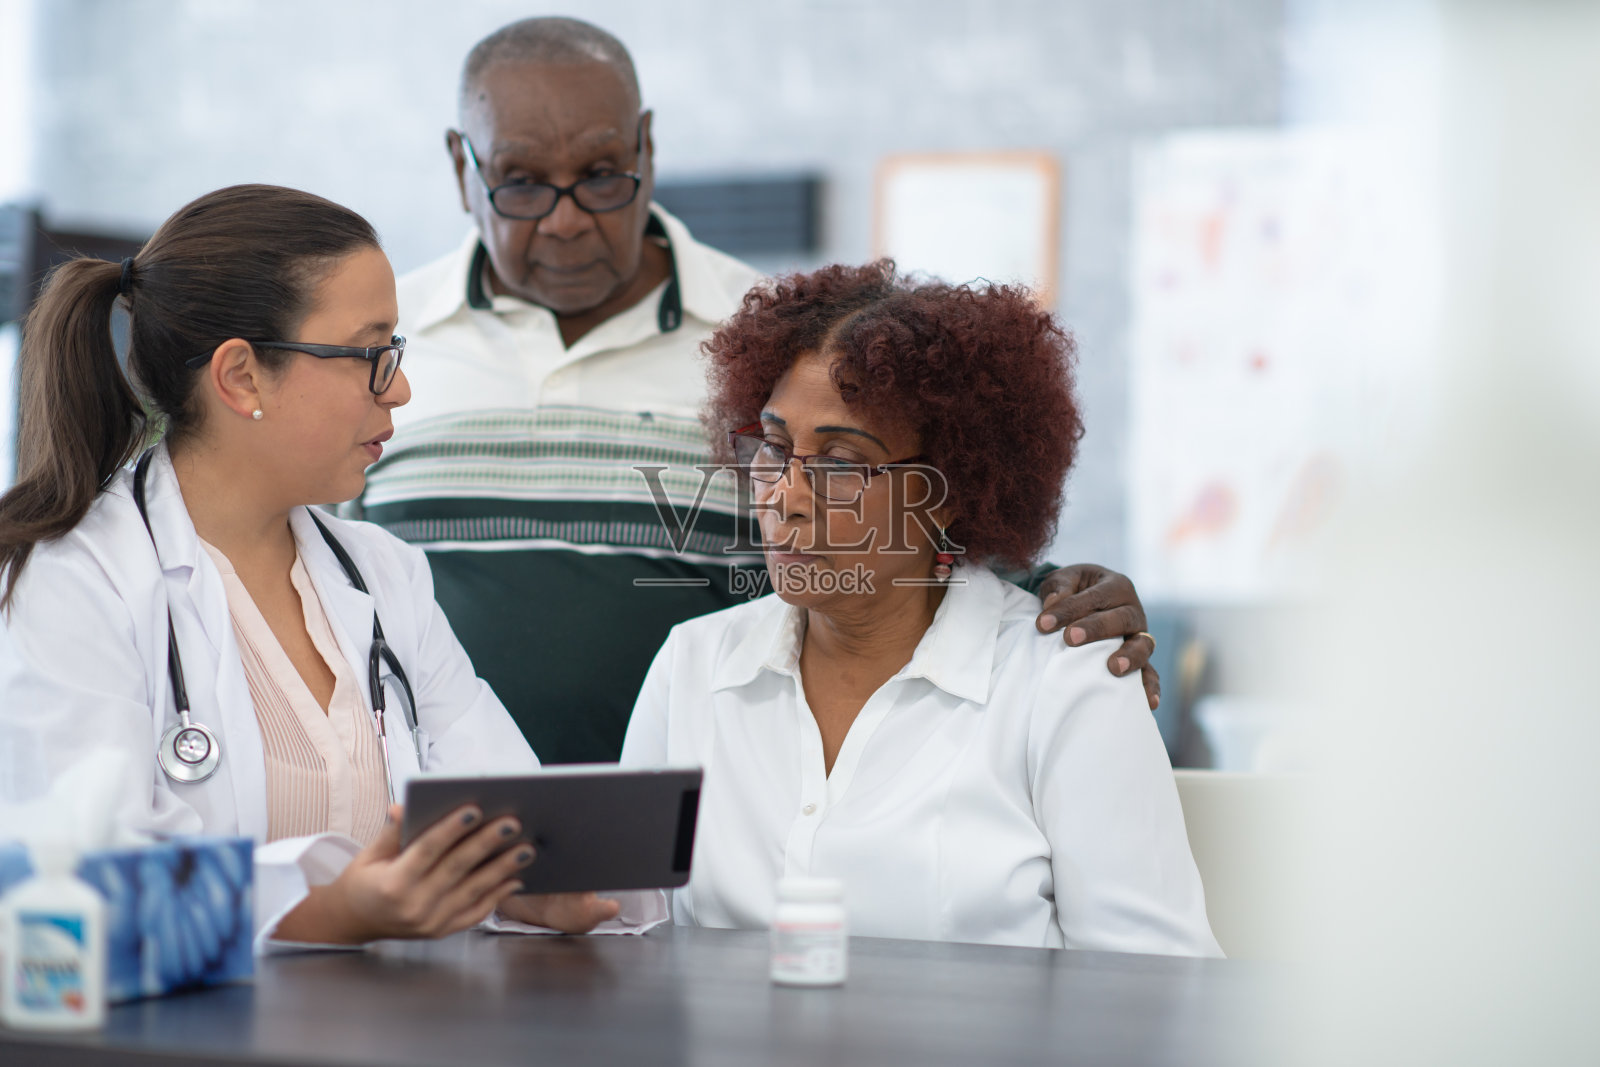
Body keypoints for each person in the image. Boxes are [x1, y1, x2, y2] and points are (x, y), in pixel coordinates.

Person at [348, 16, 1165, 765]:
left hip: (702, 821)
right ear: (463, 166)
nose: (565, 220)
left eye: (601, 175)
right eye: (521, 183)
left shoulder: (775, 353)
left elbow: (911, 537)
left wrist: (1053, 592)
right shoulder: (382, 348)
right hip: (431, 823)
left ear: (647, 149)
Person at [0, 185, 628, 951]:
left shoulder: (384, 575)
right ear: (241, 377)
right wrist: (337, 912)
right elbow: (77, 890)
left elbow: (506, 813)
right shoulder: (73, 580)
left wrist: (528, 885)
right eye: (371, 354)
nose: (399, 387)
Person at [620, 262, 1220, 956]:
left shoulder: (1066, 686)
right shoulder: (691, 668)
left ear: (950, 492)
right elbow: (632, 940)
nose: (784, 495)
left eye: (841, 463)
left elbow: (1155, 992)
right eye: (776, 448)